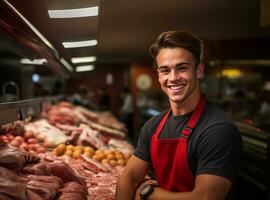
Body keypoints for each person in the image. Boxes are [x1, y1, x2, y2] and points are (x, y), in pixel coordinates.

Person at [115, 30, 242, 200]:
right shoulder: (153, 126)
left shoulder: (218, 129)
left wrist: (152, 194)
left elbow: (204, 198)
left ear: (199, 70)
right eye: (165, 70)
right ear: (159, 76)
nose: (173, 78)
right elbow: (128, 178)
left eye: (182, 68)